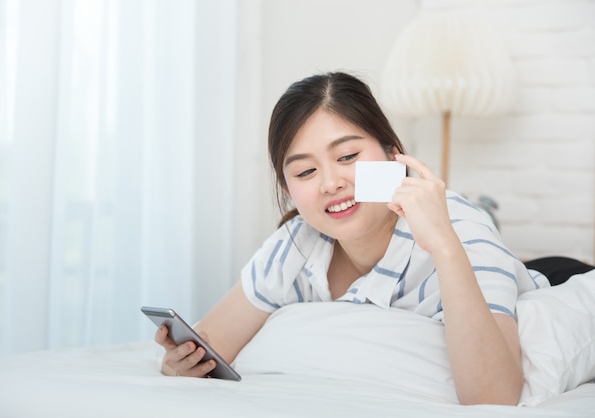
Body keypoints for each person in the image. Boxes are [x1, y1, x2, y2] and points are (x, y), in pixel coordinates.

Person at [154, 71, 580, 406]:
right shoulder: (297, 244)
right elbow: (212, 341)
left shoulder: (459, 228)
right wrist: (182, 362)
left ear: (394, 154)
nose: (331, 183)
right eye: (305, 172)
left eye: (347, 156)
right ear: (288, 189)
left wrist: (445, 247)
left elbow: (494, 397)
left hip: (556, 274)